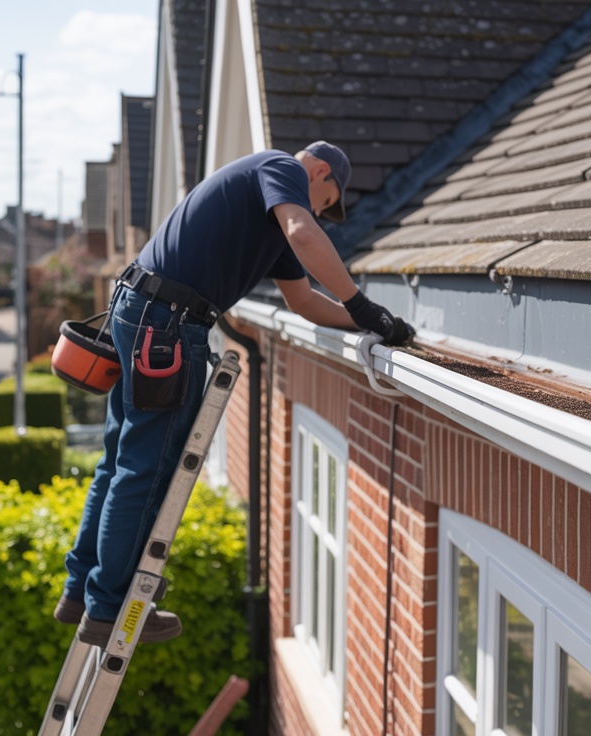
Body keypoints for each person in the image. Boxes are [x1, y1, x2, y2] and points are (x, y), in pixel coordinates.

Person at [54, 141, 414, 645]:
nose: (320, 212)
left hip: (142, 308)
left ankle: (81, 593)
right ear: (322, 172)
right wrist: (360, 300)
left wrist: (371, 323)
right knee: (144, 467)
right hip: (166, 323)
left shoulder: (265, 216)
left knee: (118, 462)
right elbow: (303, 231)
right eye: (327, 201)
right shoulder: (282, 167)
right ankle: (108, 608)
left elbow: (305, 300)